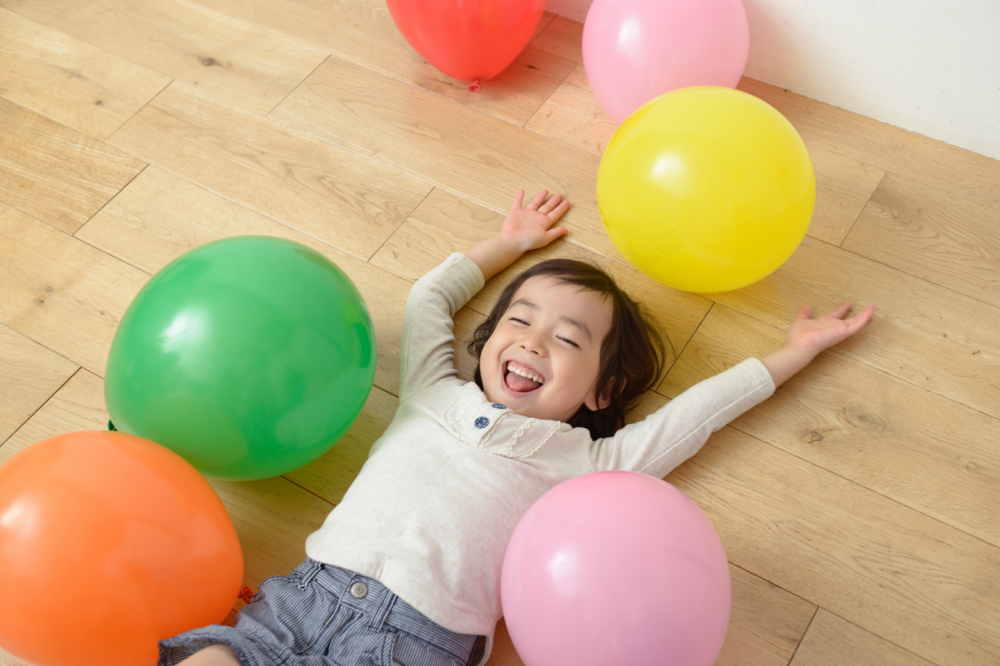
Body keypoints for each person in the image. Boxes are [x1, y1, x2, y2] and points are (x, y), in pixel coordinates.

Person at [161, 190, 876, 666]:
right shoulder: (430, 390)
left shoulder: (589, 466)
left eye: (567, 341)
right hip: (303, 596)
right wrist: (506, 243)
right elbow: (430, 298)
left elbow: (697, 417)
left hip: (413, 642)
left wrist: (793, 353)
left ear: (603, 388)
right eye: (521, 321)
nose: (534, 343)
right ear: (491, 339)